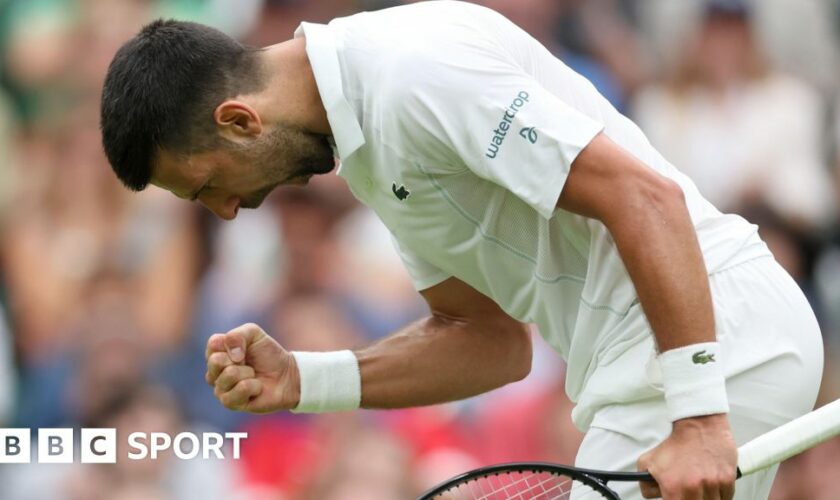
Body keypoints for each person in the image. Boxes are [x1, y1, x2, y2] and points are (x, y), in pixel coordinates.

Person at [99, 2, 823, 499]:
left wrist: (698, 418)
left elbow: (646, 199)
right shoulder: (365, 141)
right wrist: (302, 380)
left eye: (205, 187)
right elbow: (488, 341)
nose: (226, 211)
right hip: (687, 360)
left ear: (239, 121)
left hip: (711, 343)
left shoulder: (412, 74)